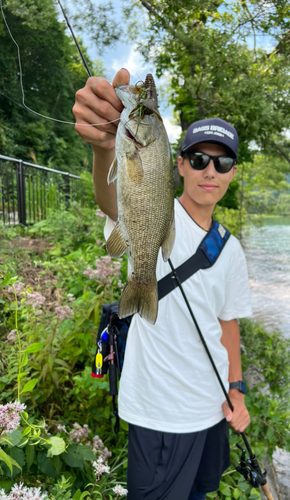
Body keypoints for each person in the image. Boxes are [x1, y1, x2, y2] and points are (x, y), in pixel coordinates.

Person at [73, 68, 252, 500]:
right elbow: (110, 198)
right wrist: (103, 149)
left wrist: (237, 391)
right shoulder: (158, 206)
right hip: (160, 414)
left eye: (222, 161)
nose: (210, 170)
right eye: (199, 159)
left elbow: (228, 326)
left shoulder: (231, 249)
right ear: (179, 163)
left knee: (200, 492)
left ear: (231, 173)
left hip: (212, 410)